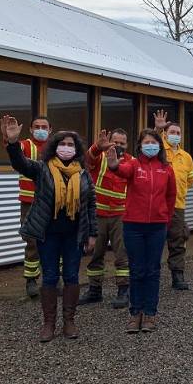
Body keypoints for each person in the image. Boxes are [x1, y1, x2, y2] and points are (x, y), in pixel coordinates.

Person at [2, 116, 97, 342]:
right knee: (50, 277)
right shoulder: (42, 169)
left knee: (72, 276)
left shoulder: (84, 174)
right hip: (48, 234)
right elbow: (21, 164)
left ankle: (70, 321)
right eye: (62, 144)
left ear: (77, 149)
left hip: (74, 234)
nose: (66, 148)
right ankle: (48, 323)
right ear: (54, 147)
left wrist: (92, 233)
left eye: (70, 145)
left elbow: (91, 204)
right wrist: (13, 144)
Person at [106, 129, 177, 334]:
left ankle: (150, 314)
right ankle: (135, 313)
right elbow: (122, 170)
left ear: (159, 146)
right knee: (136, 270)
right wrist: (113, 165)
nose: (150, 145)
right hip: (133, 226)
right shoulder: (134, 165)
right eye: (146, 142)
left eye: (154, 142)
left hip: (157, 226)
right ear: (140, 146)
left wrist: (166, 218)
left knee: (153, 270)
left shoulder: (166, 169)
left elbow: (171, 196)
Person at [79, 128, 132, 308]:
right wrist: (96, 147)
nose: (117, 146)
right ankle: (94, 291)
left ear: (127, 145)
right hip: (98, 215)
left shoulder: (131, 161)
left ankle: (123, 291)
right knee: (95, 254)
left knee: (122, 255)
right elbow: (86, 160)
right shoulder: (100, 158)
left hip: (121, 216)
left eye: (121, 143)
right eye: (114, 142)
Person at [153, 110, 193, 290]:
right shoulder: (159, 150)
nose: (175, 135)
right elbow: (148, 143)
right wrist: (157, 129)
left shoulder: (186, 157)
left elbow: (190, 181)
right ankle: (151, 276)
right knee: (154, 240)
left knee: (177, 241)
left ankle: (177, 276)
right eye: (172, 132)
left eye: (178, 133)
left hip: (177, 206)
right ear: (165, 134)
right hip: (156, 205)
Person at [16, 116, 51, 297]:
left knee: (55, 240)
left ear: (50, 130)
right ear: (30, 129)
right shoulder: (25, 145)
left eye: (44, 126)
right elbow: (14, 151)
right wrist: (10, 140)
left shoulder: (56, 147)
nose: (40, 129)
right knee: (32, 242)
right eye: (36, 126)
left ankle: (53, 279)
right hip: (30, 203)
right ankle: (31, 280)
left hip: (53, 202)